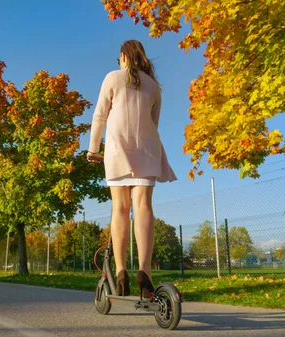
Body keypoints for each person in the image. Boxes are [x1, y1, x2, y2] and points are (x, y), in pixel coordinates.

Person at [87, 40, 177, 300]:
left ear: (124, 57)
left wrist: (94, 149)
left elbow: (100, 116)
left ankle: (120, 270)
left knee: (120, 208)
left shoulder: (112, 78)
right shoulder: (154, 86)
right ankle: (145, 272)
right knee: (144, 207)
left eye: (120, 59)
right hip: (148, 147)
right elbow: (154, 122)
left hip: (117, 147)